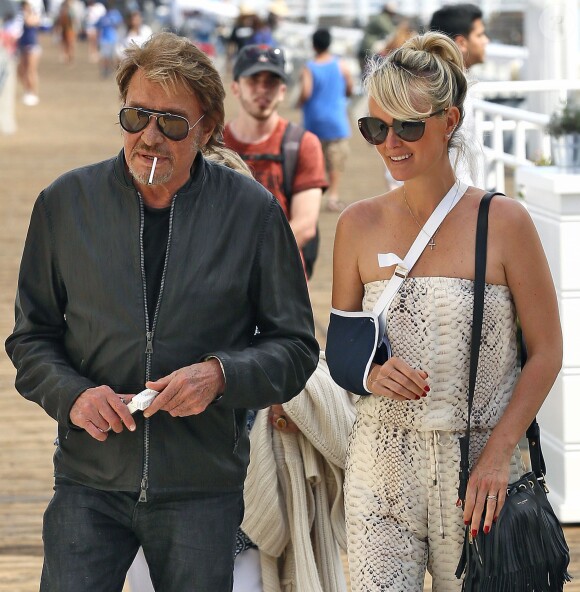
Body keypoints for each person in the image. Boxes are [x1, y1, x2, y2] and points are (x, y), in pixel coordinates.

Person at [5, 30, 319, 592]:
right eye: (135, 117)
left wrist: (221, 376)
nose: (150, 136)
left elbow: (295, 347)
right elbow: (31, 340)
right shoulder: (63, 204)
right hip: (87, 480)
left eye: (172, 122)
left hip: (201, 488)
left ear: (207, 129)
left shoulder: (252, 213)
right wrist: (73, 396)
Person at [329, 31, 562, 591]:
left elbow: (548, 351)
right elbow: (340, 347)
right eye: (376, 128)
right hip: (381, 469)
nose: (391, 143)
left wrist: (501, 452)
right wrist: (372, 371)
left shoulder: (505, 224)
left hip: (480, 470)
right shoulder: (357, 225)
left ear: (450, 120)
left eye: (409, 126)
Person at [224, 44, 326, 279]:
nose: (262, 89)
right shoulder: (215, 145)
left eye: (271, 81)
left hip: (283, 276)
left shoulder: (302, 144)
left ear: (282, 90)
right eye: (253, 80)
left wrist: (248, 259)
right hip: (225, 278)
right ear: (236, 88)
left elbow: (305, 225)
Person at [429, 3, 489, 186]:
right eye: (479, 35)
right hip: (455, 194)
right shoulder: (450, 89)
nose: (486, 41)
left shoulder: (434, 81)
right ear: (461, 43)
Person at [298, 28, 353, 212]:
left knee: (315, 162)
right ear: (329, 44)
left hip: (314, 121)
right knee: (335, 162)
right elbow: (350, 86)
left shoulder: (309, 67)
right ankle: (333, 196)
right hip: (336, 122)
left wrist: (299, 102)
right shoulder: (340, 64)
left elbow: (306, 91)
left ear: (314, 45)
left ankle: (314, 197)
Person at [357, 1, 397, 74]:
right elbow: (391, 31)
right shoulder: (381, 19)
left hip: (368, 45)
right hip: (370, 45)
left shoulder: (382, 18)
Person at [16, 0, 41, 106]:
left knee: (31, 70)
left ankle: (33, 93)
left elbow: (30, 22)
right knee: (21, 70)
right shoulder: (18, 17)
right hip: (22, 45)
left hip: (32, 45)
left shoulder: (33, 15)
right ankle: (27, 90)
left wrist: (25, 14)